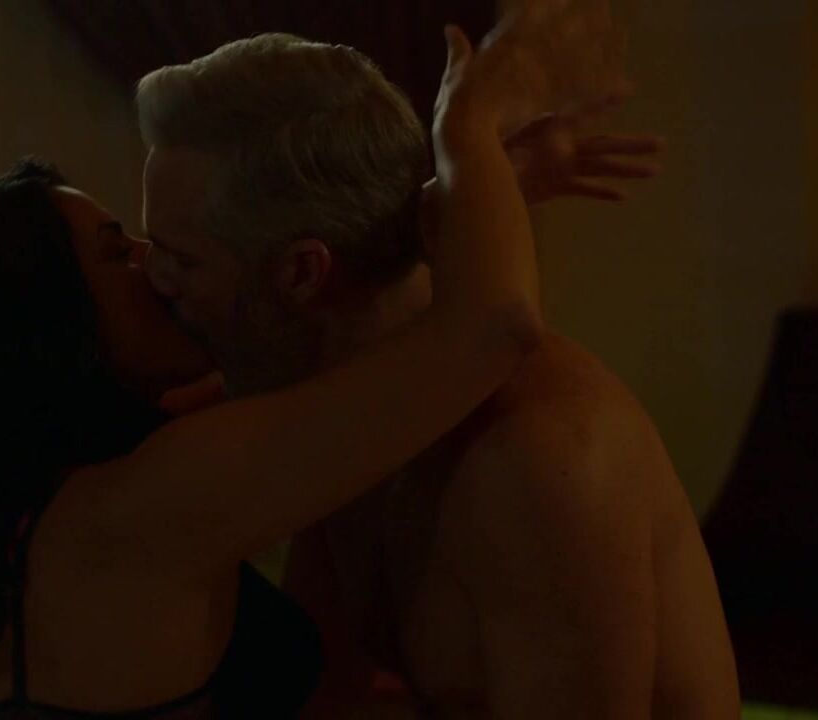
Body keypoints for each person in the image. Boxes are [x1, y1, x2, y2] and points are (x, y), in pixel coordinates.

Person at [0, 7, 601, 716]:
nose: (154, 268)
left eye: (168, 251)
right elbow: (492, 326)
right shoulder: (150, 499)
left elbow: (303, 330)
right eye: (119, 253)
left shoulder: (73, 493)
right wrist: (466, 132)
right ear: (48, 328)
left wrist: (407, 214)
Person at [136, 6, 742, 720]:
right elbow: (317, 691)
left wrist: (470, 137)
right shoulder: (344, 406)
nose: (154, 284)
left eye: (181, 261)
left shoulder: (536, 458)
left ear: (301, 273)